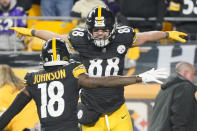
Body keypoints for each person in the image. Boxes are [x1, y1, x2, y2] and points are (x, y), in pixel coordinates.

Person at [10, 6, 186, 131]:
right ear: (88, 30)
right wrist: (32, 32)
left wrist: (167, 33)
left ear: (112, 29)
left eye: (104, 29)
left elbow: (145, 37)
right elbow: (57, 37)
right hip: (90, 110)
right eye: (95, 30)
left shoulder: (122, 38)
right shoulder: (81, 40)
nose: (99, 33)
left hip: (118, 109)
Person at [0, 38, 168, 131]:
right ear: (65, 56)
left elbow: (10, 114)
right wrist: (138, 78)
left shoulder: (33, 81)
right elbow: (104, 81)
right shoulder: (73, 73)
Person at [148, 61, 197, 131]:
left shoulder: (165, 88)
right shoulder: (184, 87)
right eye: (192, 74)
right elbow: (180, 116)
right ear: (185, 73)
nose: (193, 78)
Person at [0, 64, 39, 131]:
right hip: (39, 124)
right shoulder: (26, 88)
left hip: (21, 127)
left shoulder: (2, 93)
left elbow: (4, 120)